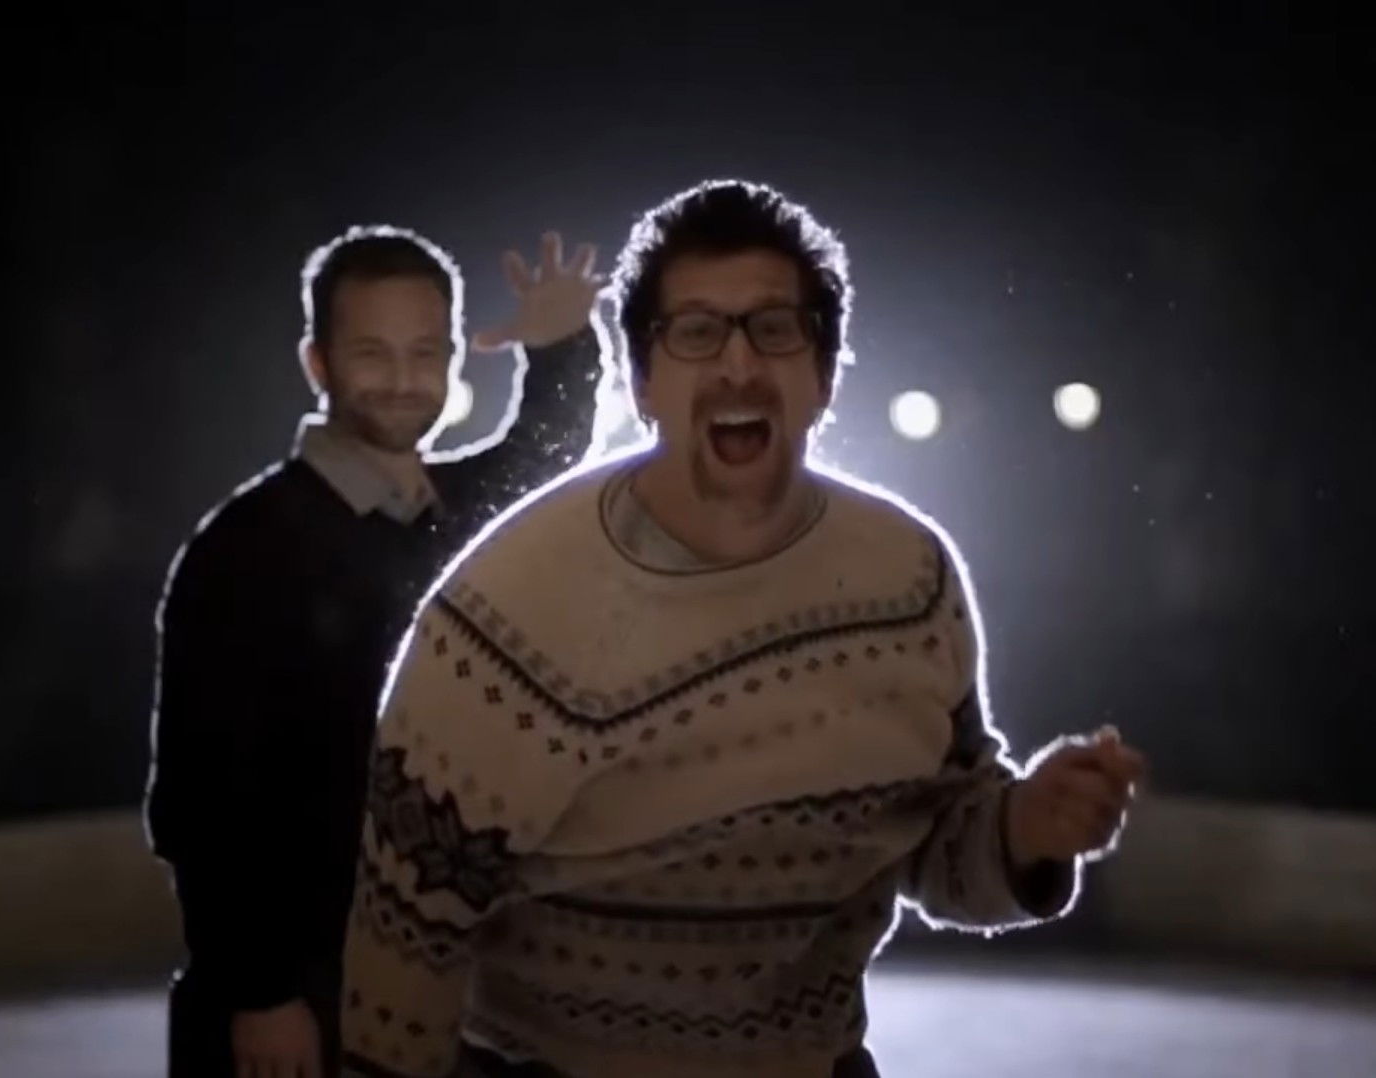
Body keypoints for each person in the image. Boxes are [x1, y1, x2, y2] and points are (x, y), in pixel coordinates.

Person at [338, 181, 1148, 1078]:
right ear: (643, 382)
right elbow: (402, 944)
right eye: (695, 332)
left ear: (825, 376)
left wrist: (1028, 825)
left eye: (775, 328)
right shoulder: (508, 610)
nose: (737, 365)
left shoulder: (910, 579)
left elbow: (938, 845)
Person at [146, 224, 608, 1078]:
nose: (401, 380)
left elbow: (547, 450)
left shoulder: (455, 512)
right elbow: (203, 796)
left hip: (439, 978)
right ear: (317, 364)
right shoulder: (245, 549)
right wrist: (259, 992)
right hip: (298, 992)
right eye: (372, 353)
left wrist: (563, 344)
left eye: (425, 353)